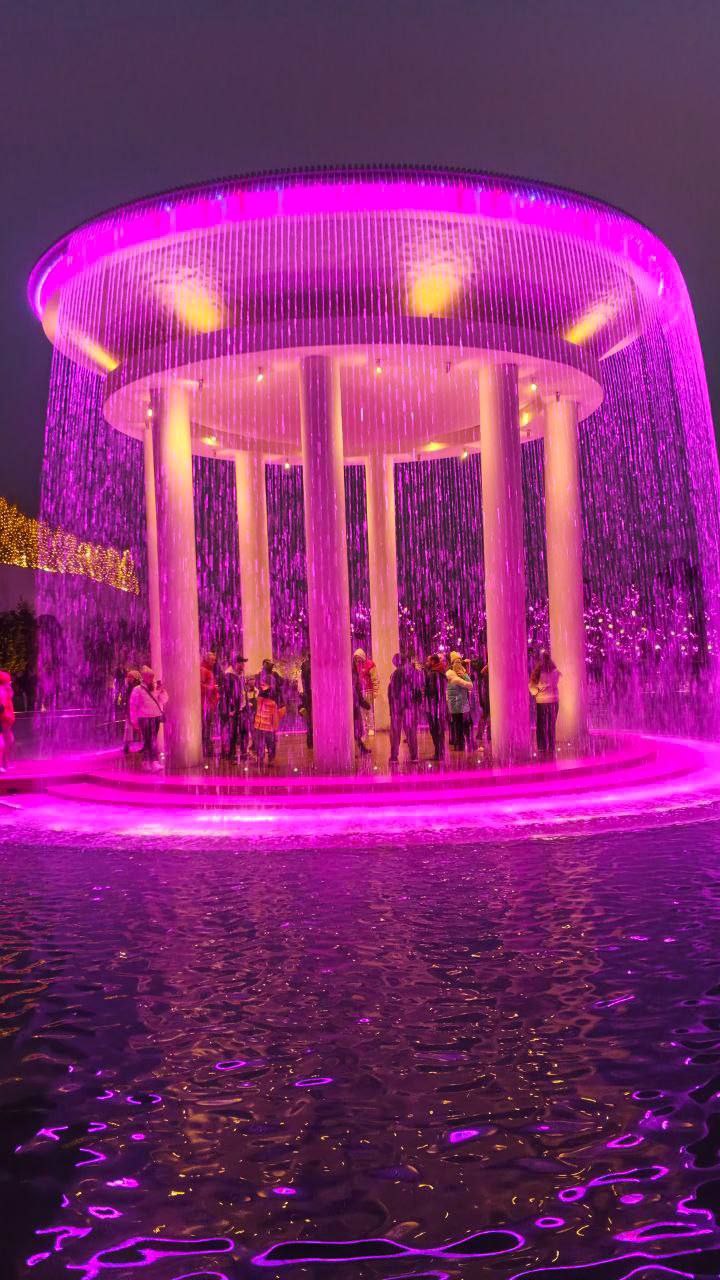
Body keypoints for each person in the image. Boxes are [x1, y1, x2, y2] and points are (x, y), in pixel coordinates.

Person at [128, 666, 167, 770]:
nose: (152, 678)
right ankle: (153, 762)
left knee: (150, 740)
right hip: (144, 718)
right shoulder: (137, 690)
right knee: (149, 740)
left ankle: (147, 762)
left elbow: (164, 700)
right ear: (144, 677)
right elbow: (133, 705)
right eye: (150, 676)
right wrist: (134, 720)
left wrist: (162, 691)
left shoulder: (155, 688)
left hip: (156, 717)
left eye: (152, 676)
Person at [388, 654, 423, 764]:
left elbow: (393, 693)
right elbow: (418, 690)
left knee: (395, 733)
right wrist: (416, 704)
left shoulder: (396, 673)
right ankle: (414, 756)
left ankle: (394, 757)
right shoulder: (415, 672)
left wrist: (393, 707)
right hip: (410, 707)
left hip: (398, 707)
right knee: (411, 732)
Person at [529, 650, 561, 760]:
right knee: (551, 725)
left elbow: (532, 689)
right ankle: (551, 746)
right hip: (553, 701)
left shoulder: (537, 672)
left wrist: (537, 691)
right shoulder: (555, 672)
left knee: (541, 725)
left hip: (541, 701)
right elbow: (554, 684)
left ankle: (542, 747)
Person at [219, 656, 250, 762]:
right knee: (231, 733)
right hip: (232, 710)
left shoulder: (239, 675)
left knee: (243, 731)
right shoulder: (228, 676)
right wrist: (229, 709)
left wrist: (245, 705)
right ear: (235, 664)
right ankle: (229, 755)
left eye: (243, 663)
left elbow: (242, 692)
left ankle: (243, 753)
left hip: (240, 708)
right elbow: (225, 695)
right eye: (241, 663)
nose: (243, 666)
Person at [254, 660, 282, 763]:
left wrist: (260, 693)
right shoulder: (271, 677)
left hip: (265, 709)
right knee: (268, 734)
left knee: (263, 735)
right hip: (267, 709)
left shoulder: (267, 678)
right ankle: (269, 757)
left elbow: (266, 691)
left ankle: (262, 756)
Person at [446, 651, 473, 751]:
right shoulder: (453, 676)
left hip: (459, 703)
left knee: (460, 724)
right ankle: (461, 744)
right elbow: (469, 685)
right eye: (456, 662)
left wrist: (465, 673)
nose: (458, 664)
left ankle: (460, 743)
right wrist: (464, 674)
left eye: (459, 662)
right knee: (460, 724)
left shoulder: (454, 674)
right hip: (457, 704)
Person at [424, 653, 448, 761]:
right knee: (440, 730)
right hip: (441, 706)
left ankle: (438, 754)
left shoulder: (433, 674)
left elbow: (432, 691)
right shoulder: (441, 673)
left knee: (434, 730)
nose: (427, 663)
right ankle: (440, 752)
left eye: (428, 661)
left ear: (433, 662)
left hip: (434, 706)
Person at [353, 648, 379, 737]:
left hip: (368, 691)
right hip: (360, 692)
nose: (357, 659)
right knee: (361, 711)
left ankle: (371, 728)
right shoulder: (356, 666)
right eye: (356, 658)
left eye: (358, 657)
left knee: (369, 709)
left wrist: (375, 691)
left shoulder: (370, 664)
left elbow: (375, 678)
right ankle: (364, 728)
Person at [200, 652, 219, 759]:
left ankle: (207, 748)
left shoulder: (207, 670)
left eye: (214, 660)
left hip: (208, 704)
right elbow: (200, 686)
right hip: (205, 704)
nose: (214, 662)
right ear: (207, 660)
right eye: (212, 660)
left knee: (207, 727)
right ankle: (206, 749)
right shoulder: (203, 670)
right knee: (206, 727)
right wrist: (213, 688)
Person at [352, 660, 371, 755]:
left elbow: (357, 691)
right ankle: (359, 749)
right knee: (355, 728)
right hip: (353, 705)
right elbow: (357, 691)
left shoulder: (353, 676)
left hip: (353, 704)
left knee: (355, 728)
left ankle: (360, 748)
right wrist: (362, 703)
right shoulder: (353, 676)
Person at [122, 668, 142, 755]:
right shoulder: (129, 687)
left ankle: (144, 745)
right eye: (128, 676)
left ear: (135, 677)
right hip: (130, 711)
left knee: (137, 727)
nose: (128, 678)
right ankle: (127, 745)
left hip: (135, 711)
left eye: (130, 677)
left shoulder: (136, 687)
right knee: (128, 728)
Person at [0, 671, 15, 772]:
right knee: (4, 742)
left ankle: (5, 763)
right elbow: (2, 707)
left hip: (7, 719)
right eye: (8, 682)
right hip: (4, 719)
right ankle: (3, 763)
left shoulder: (6, 691)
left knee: (8, 740)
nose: (10, 684)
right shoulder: (2, 691)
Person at [300, 652, 313, 749]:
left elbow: (303, 680)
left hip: (308, 695)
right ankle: (311, 740)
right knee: (312, 719)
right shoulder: (311, 665)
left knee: (309, 719)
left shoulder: (305, 665)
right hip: (312, 695)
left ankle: (310, 740)